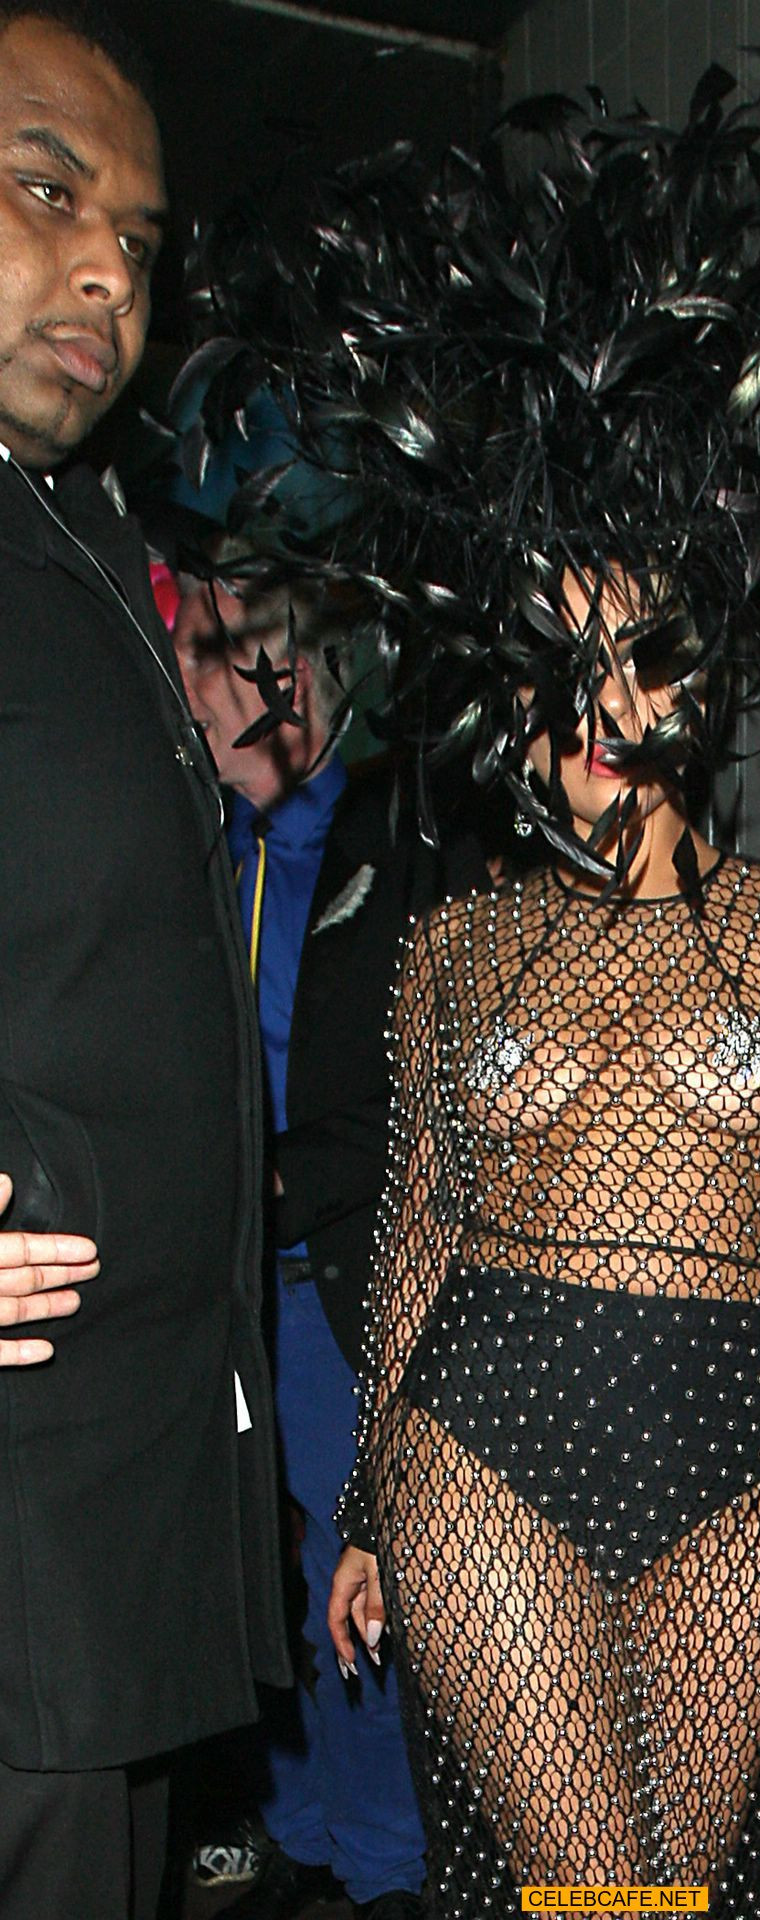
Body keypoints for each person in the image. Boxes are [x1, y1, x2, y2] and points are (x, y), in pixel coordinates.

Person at [187, 70, 760, 1910]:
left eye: (645, 655)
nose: (603, 705)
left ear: (705, 683)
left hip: (739, 1458)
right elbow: (417, 1237)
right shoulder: (454, 945)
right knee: (596, 1890)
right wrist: (363, 1509)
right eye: (560, 661)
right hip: (484, 1453)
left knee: (674, 1889)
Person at [0, 6, 288, 1916]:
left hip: (104, 1525)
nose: (110, 268)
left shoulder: (79, 533)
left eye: (141, 237)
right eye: (47, 189)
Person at [174, 562, 487, 1920]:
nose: (221, 682)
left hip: (341, 1277)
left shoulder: (399, 831)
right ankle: (297, 1833)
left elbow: (442, 1095)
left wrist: (270, 1185)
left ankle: (387, 1866)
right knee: (252, 1575)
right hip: (208, 1288)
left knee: (364, 1579)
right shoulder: (185, 845)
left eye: (246, 649)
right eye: (202, 651)